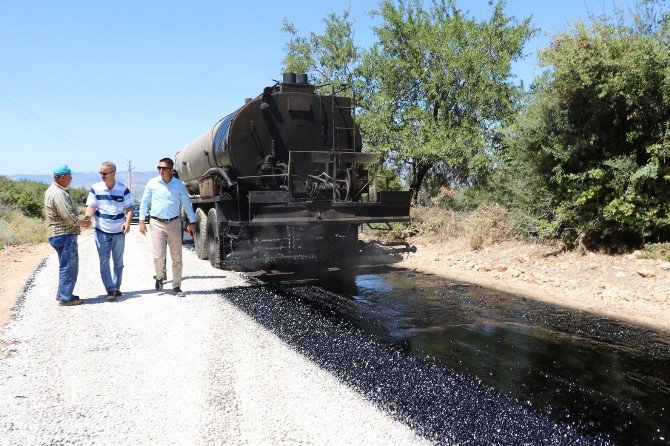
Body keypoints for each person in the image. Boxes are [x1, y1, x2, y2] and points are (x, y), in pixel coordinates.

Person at [139, 157, 196, 297]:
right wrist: (141, 220)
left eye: (163, 168)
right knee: (158, 256)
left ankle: (176, 286)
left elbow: (187, 204)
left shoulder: (179, 184)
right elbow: (145, 202)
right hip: (156, 223)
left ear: (171, 170)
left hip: (174, 224)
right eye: (158, 168)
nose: (160, 170)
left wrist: (192, 222)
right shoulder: (152, 183)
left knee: (176, 257)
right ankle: (159, 276)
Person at [85, 161, 134, 301]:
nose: (102, 175)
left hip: (119, 231)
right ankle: (110, 289)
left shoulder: (123, 188)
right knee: (104, 261)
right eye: (100, 173)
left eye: (104, 173)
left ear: (113, 173)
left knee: (118, 261)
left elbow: (129, 208)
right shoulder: (95, 188)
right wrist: (88, 217)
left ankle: (117, 286)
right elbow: (91, 206)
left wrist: (127, 223)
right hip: (101, 231)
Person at [44, 164, 91, 306]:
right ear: (63, 177)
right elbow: (68, 217)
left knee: (65, 265)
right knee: (70, 266)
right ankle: (65, 297)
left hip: (59, 234)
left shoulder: (54, 190)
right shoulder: (58, 193)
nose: (71, 179)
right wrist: (83, 223)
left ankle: (63, 293)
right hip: (64, 234)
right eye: (70, 176)